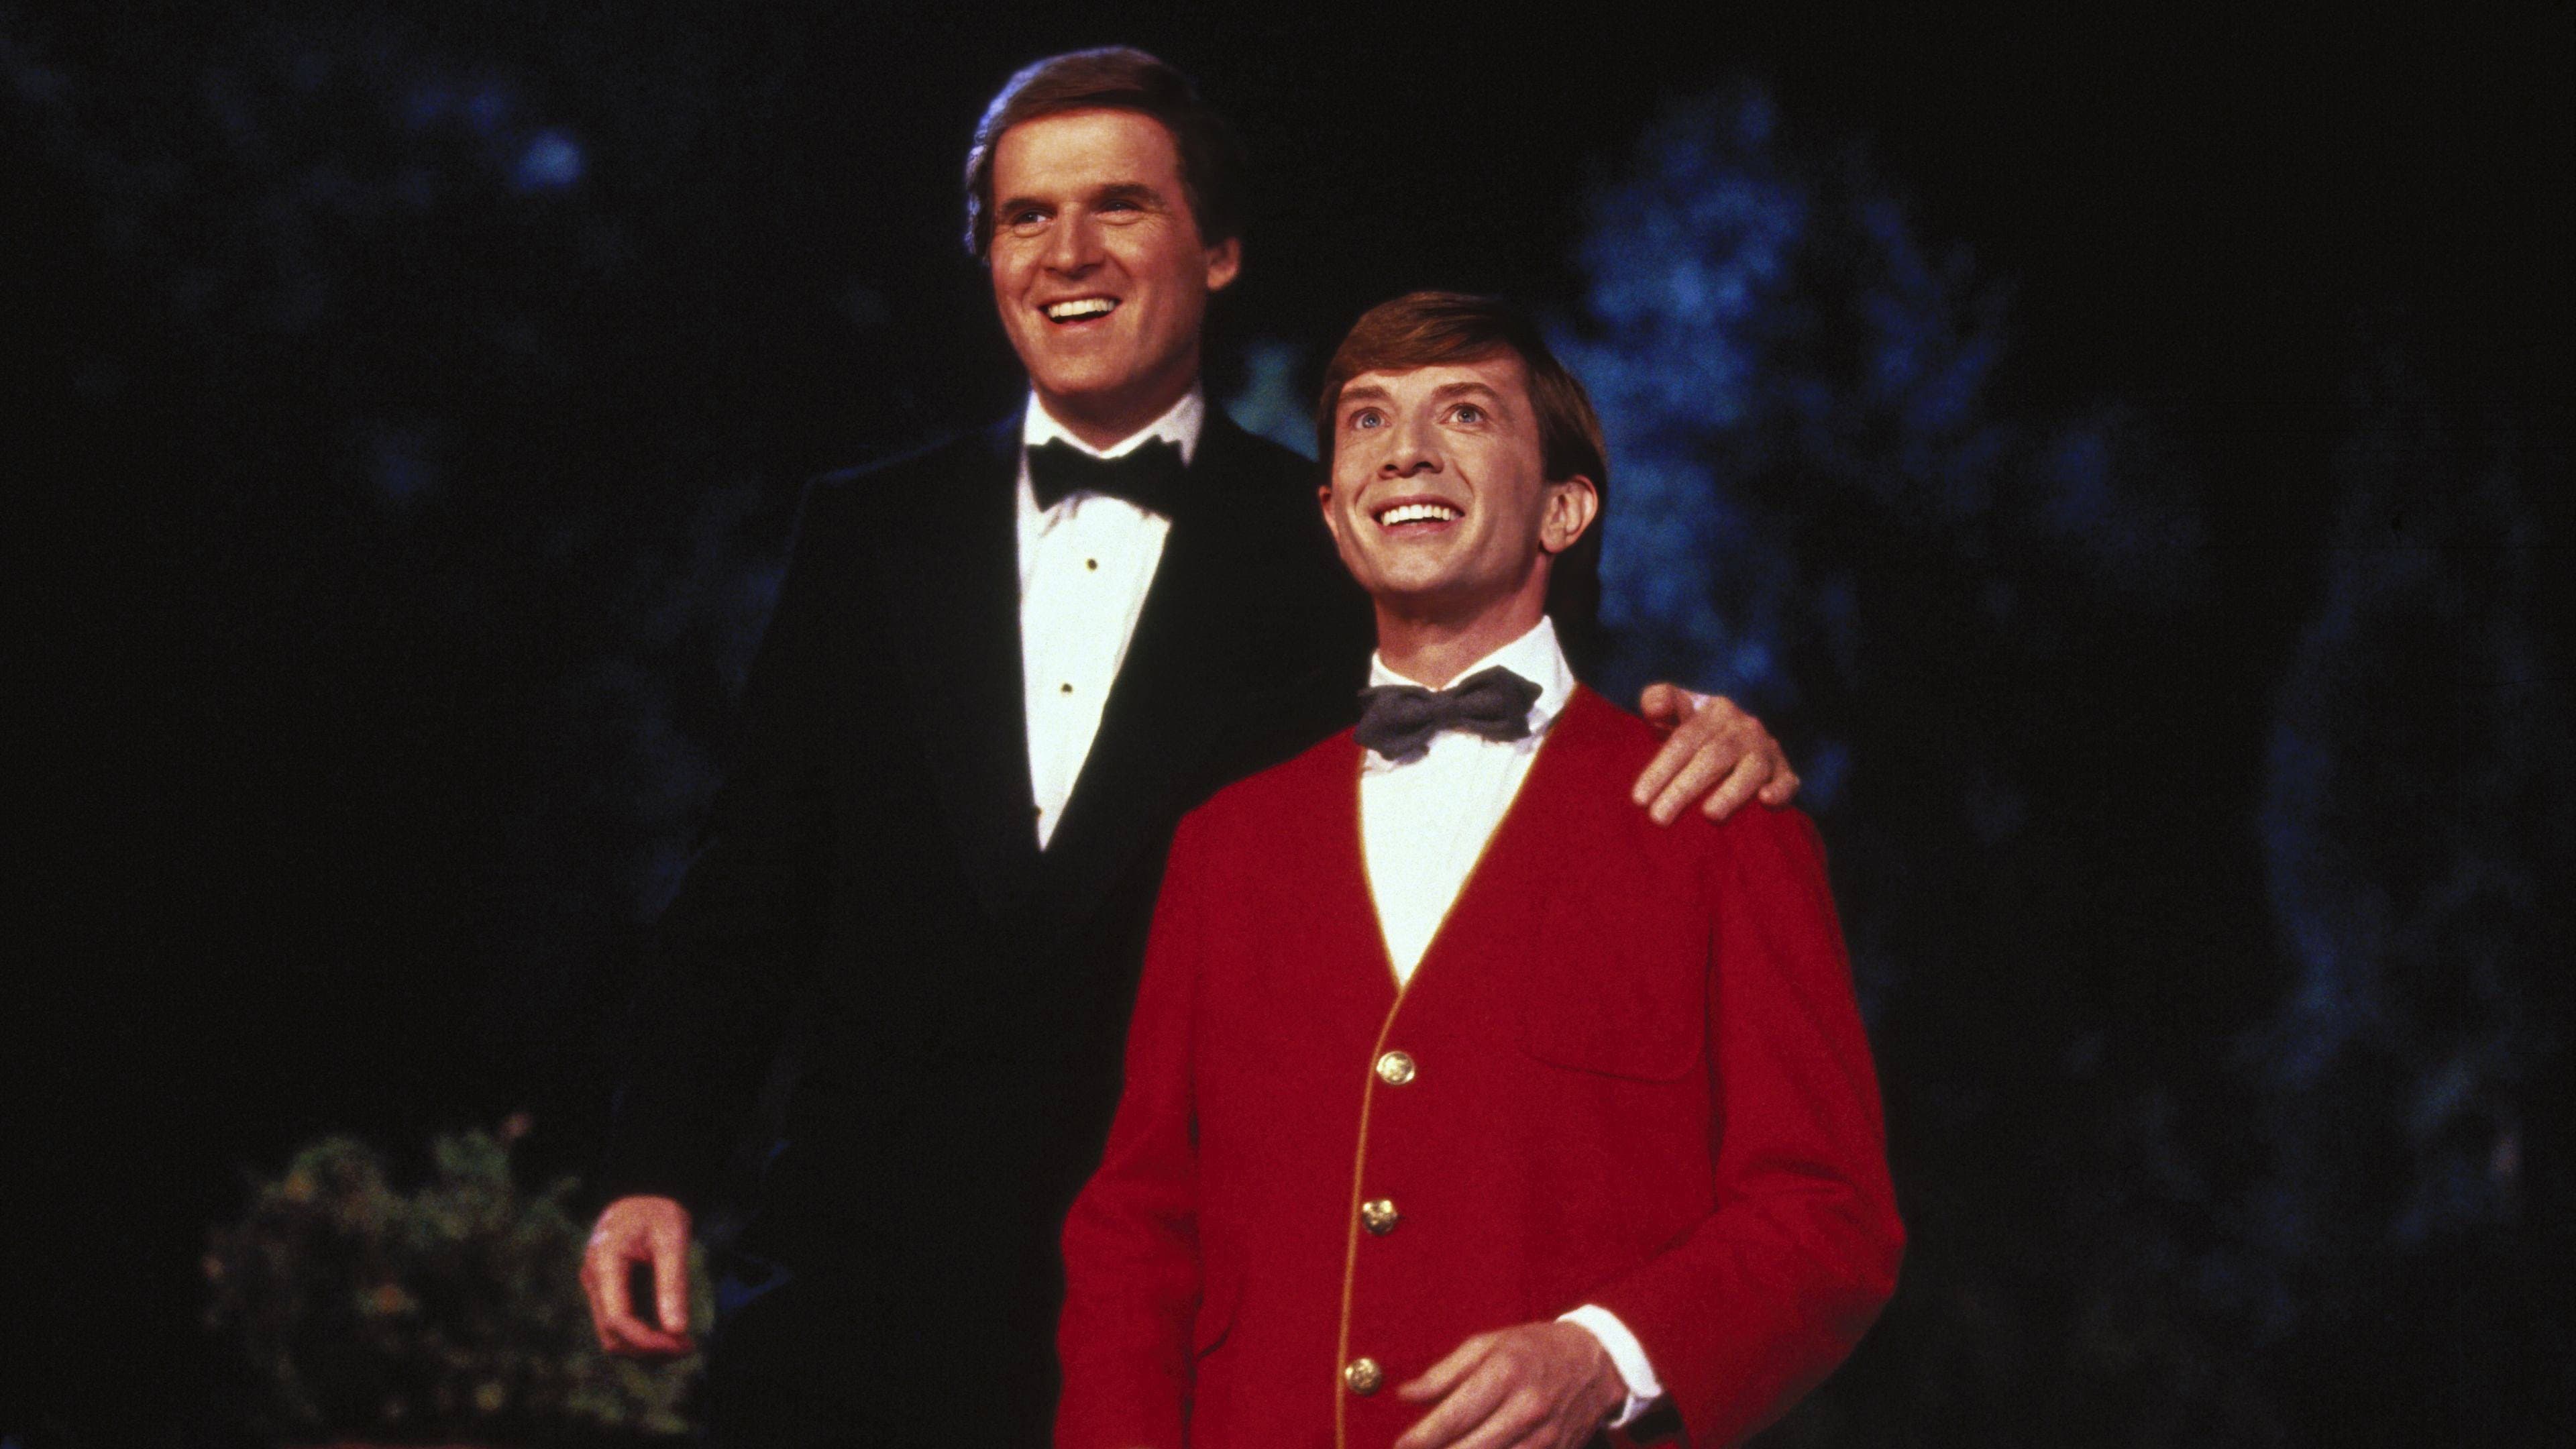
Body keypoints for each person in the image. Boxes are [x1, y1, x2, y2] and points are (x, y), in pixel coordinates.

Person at [578, 51, 1801, 1444]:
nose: (1068, 253)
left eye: (1120, 206)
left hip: (1202, 1324)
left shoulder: (1339, 538)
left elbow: (1516, 734)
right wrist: (652, 1168)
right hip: (854, 1303)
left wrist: (1714, 733)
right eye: (1027, 217)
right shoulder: (865, 535)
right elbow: (745, 889)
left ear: (1219, 252)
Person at [1055, 292, 1901, 1449]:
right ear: (1333, 514)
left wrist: (1607, 1353)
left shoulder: (1717, 820)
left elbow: (1826, 1215)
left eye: (1464, 413)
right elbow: (1141, 1234)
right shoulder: (1224, 845)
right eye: (1368, 420)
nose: (1405, 450)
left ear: (1563, 508)